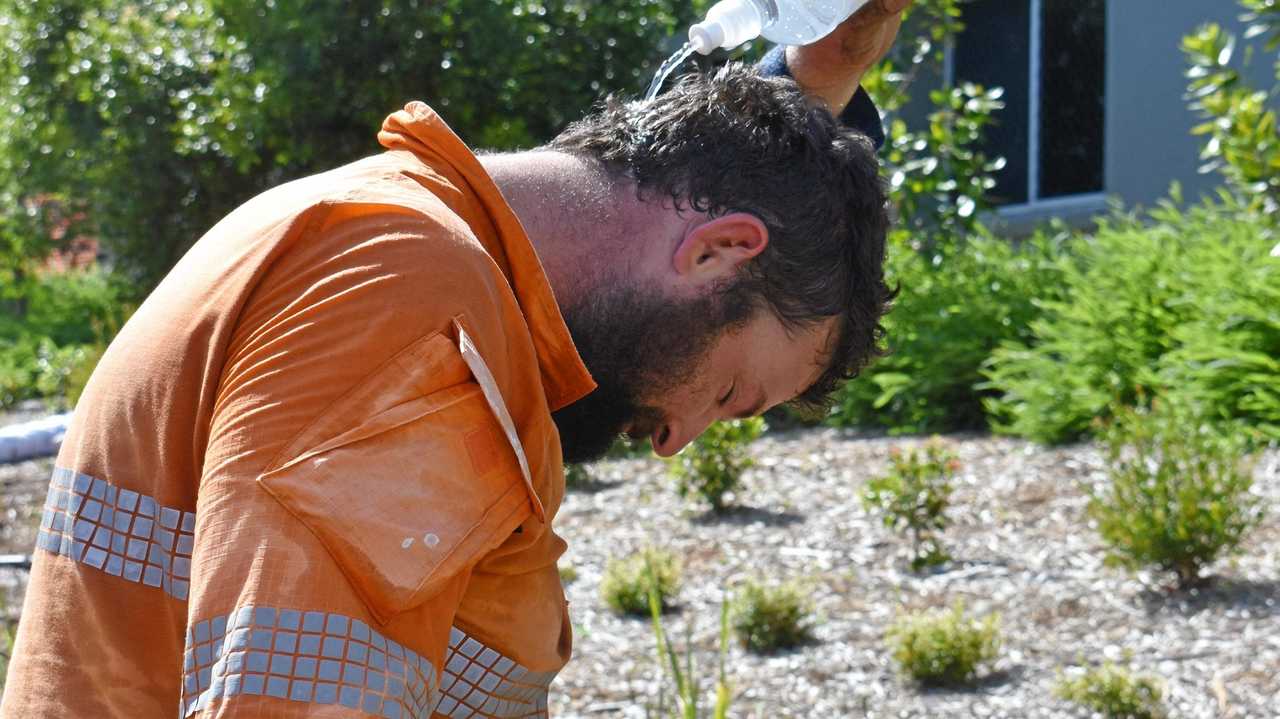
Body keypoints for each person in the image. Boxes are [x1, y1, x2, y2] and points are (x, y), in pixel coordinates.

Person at [1, 2, 911, 717]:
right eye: (727, 394)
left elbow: (654, 181)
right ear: (718, 253)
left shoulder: (420, 243)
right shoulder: (413, 306)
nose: (679, 438)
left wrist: (803, 83)